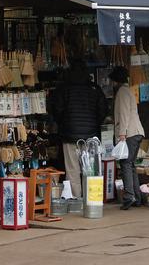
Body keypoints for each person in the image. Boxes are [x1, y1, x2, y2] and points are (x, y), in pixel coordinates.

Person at [49, 61, 108, 199]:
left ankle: (76, 199)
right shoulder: (94, 88)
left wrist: (63, 123)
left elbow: (56, 109)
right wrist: (95, 124)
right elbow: (103, 110)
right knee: (89, 169)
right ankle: (90, 198)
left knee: (72, 169)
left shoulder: (64, 89)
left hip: (70, 135)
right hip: (91, 136)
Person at [109, 66, 144, 209]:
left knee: (125, 164)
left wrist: (121, 134)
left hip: (129, 133)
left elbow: (123, 114)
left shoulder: (122, 92)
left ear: (115, 80)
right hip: (136, 132)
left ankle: (129, 196)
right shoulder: (127, 90)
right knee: (131, 165)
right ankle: (137, 196)